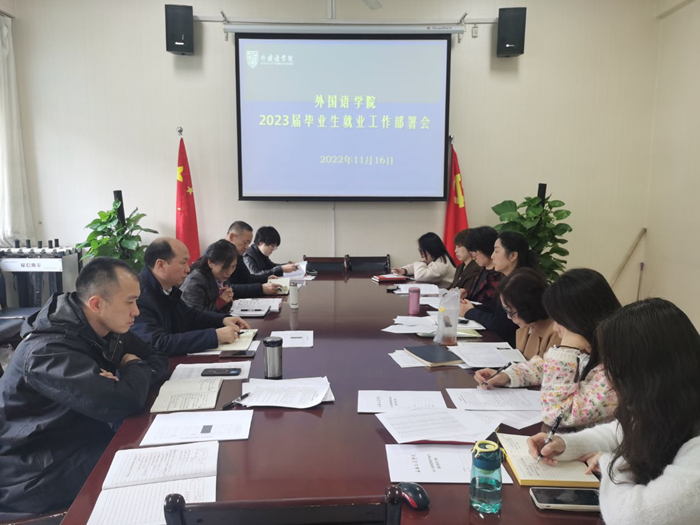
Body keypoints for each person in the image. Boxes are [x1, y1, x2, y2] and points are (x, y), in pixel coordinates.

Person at [0, 258, 168, 519]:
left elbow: (158, 358)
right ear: (96, 304)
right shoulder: (46, 351)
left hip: (81, 437)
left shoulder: (108, 328)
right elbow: (124, 403)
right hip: (35, 467)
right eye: (130, 302)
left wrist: (125, 374)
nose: (136, 311)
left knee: (150, 453)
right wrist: (132, 369)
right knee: (145, 473)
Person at [527, 298, 700, 524]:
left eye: (613, 368)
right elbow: (624, 431)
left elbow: (631, 517)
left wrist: (613, 462)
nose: (608, 377)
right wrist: (566, 444)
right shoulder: (672, 402)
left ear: (644, 374)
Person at [476, 268, 620, 429]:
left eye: (559, 321)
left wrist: (566, 350)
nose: (556, 328)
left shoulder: (616, 372)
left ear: (581, 319)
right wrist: (507, 376)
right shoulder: (591, 350)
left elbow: (556, 415)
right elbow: (543, 367)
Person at [131, 238, 250, 357]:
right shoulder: (137, 296)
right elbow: (158, 343)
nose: (188, 269)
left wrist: (222, 320)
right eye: (183, 263)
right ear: (161, 265)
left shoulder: (167, 289)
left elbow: (189, 316)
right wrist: (214, 336)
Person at [461, 231, 537, 346]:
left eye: (496, 251)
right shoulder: (507, 278)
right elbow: (494, 310)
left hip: (514, 345)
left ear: (512, 256)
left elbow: (501, 324)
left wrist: (470, 312)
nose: (492, 256)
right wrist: (468, 306)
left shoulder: (521, 284)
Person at [205, 221, 282, 298]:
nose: (247, 247)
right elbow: (225, 288)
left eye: (248, 244)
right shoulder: (216, 252)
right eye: (245, 242)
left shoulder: (237, 253)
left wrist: (266, 278)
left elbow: (246, 278)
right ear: (232, 237)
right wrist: (260, 289)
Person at [500, 268, 561, 359]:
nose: (508, 316)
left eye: (510, 312)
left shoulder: (557, 332)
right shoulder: (526, 326)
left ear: (527, 307)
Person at [181, 239, 238, 313]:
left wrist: (228, 298)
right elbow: (195, 315)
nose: (229, 272)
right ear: (210, 263)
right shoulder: (195, 281)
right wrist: (220, 301)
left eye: (233, 266)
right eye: (225, 267)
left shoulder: (221, 276)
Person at [391, 232, 456, 289]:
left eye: (422, 251)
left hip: (445, 294)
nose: (421, 254)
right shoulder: (438, 259)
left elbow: (420, 275)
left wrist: (422, 262)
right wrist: (404, 270)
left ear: (431, 249)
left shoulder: (442, 264)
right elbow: (415, 267)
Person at [463, 226, 502, 307]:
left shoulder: (499, 274)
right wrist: (466, 293)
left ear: (486, 248)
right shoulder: (482, 269)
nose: (473, 257)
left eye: (475, 252)